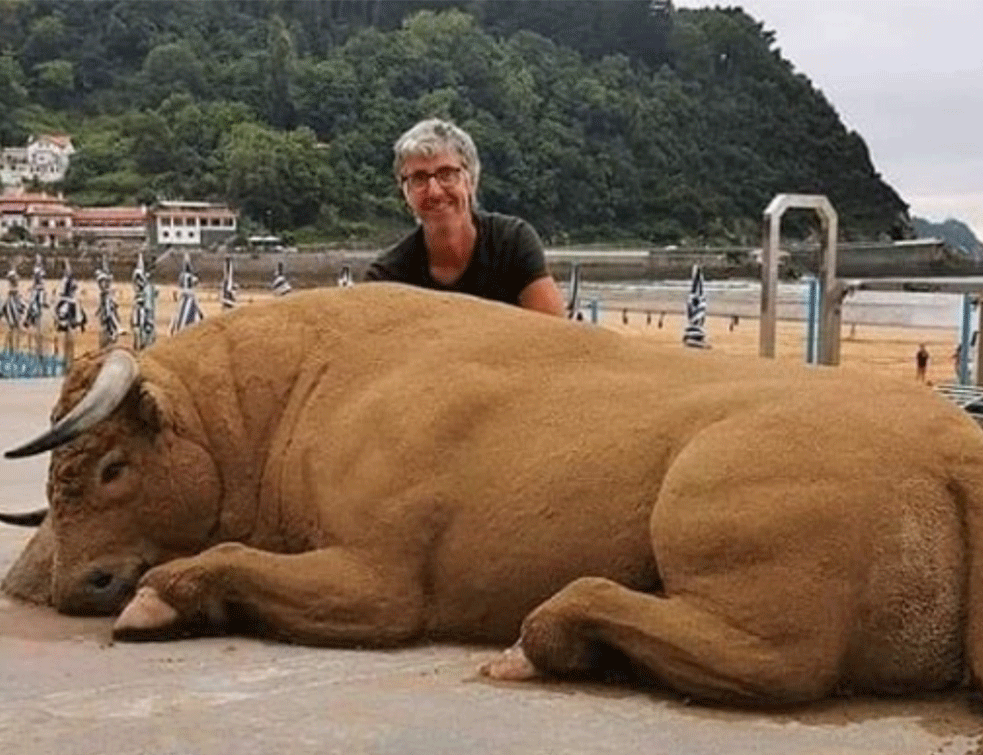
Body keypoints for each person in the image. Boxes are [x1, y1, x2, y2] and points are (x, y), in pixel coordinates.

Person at [363, 118, 566, 316]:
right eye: (419, 178)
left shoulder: (511, 244)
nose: (434, 191)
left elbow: (555, 333)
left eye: (447, 174)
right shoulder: (386, 278)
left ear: (470, 180)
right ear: (405, 192)